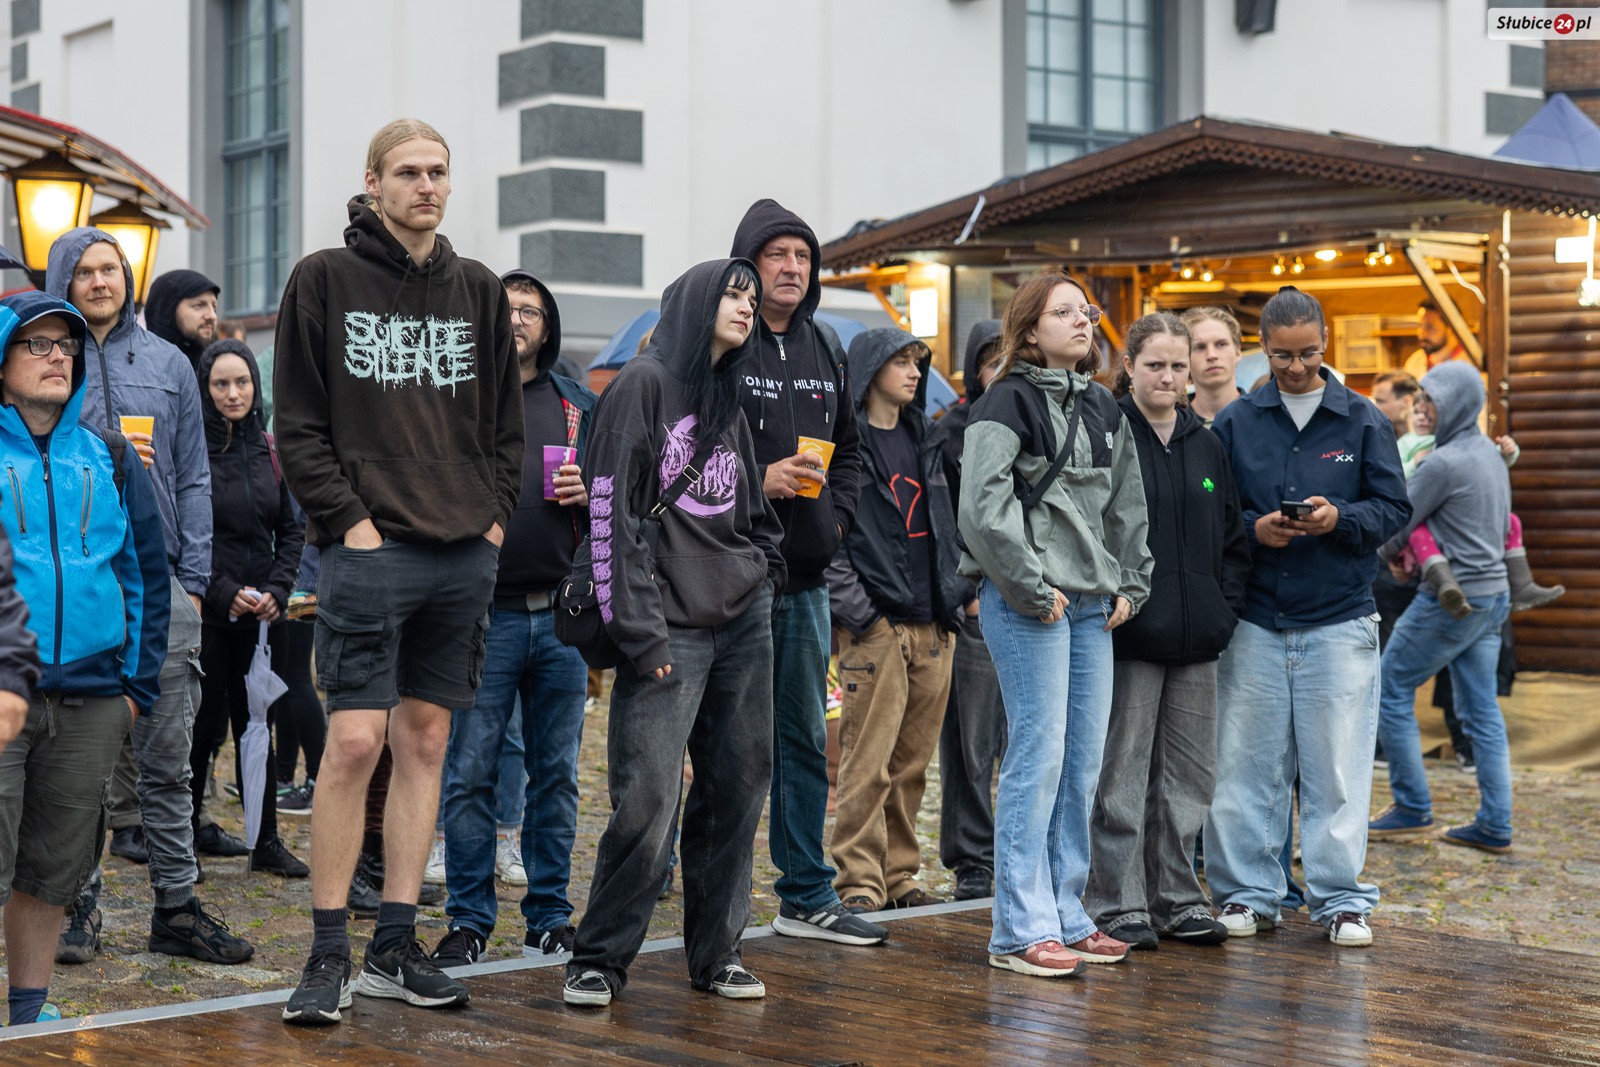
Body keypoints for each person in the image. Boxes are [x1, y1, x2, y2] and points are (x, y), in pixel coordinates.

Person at [274, 118, 522, 1025]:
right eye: (408, 172)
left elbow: (508, 430)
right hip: (370, 549)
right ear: (373, 182)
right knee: (352, 743)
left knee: (424, 744)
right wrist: (353, 525)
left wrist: (494, 522)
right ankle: (327, 950)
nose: (426, 185)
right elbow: (297, 426)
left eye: (438, 171)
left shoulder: (480, 289)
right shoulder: (323, 280)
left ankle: (393, 945)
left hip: (463, 552)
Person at [562, 258, 786, 1007]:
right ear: (695, 302)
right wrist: (640, 633)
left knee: (737, 791)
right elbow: (608, 515)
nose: (747, 306)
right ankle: (598, 958)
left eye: (752, 296)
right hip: (667, 629)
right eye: (733, 293)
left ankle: (718, 954)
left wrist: (765, 569)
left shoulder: (726, 392)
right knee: (648, 801)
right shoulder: (641, 385)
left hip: (742, 620)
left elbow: (750, 506)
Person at [45, 229, 253, 968]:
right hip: (82, 585)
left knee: (169, 761)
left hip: (162, 585)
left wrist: (194, 581)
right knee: (83, 767)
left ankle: (177, 906)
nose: (100, 281)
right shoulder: (45, 360)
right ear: (63, 279)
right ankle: (77, 906)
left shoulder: (170, 364)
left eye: (111, 269)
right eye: (85, 271)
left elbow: (194, 476)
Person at [958, 269, 1152, 977]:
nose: (1082, 321)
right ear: (1030, 328)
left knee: (1080, 765)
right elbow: (983, 510)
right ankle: (1019, 929)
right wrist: (1030, 586)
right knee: (1037, 761)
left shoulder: (1103, 405)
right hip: (1030, 601)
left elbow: (1127, 504)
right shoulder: (1003, 401)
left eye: (1086, 311)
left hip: (1091, 605)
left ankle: (1067, 912)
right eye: (1063, 311)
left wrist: (1132, 582)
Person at [1205, 285, 1410, 949]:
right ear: (1261, 350)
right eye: (1282, 356)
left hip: (1338, 618)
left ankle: (1341, 901)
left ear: (1326, 345)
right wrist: (1253, 528)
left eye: (1308, 354)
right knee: (1244, 768)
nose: (1296, 367)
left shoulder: (1364, 420)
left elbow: (1394, 508)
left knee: (1337, 769)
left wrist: (1338, 518)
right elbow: (1210, 512)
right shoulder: (1234, 423)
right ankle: (1247, 895)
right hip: (1256, 620)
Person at [0, 292, 169, 1024]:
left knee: (53, 867)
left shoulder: (110, 455)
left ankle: (27, 1010)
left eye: (66, 345)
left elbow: (147, 573)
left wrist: (134, 687)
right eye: (37, 344)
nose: (58, 356)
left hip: (95, 696)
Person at [728, 200, 884, 947]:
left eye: (803, 256)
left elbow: (849, 450)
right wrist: (757, 482)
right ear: (747, 264)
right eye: (777, 255)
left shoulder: (826, 344)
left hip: (807, 582)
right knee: (730, 744)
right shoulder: (724, 336)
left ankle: (806, 894)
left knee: (805, 739)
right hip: (731, 575)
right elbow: (680, 449)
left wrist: (836, 522)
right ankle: (719, 900)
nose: (792, 267)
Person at [430, 267, 596, 968]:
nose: (519, 318)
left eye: (531, 309)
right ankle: (469, 921)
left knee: (556, 774)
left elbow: (618, 498)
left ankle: (549, 918)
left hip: (562, 616)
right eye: (507, 307)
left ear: (547, 327)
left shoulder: (576, 405)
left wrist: (590, 490)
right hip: (484, 614)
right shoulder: (459, 399)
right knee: (469, 772)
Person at [1083, 313, 1250, 950]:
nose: (1169, 376)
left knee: (1189, 780)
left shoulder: (1206, 443)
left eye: (1179, 366)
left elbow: (1233, 538)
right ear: (1129, 366)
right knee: (1122, 776)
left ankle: (1178, 899)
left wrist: (1222, 610)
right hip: (1129, 637)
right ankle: (1117, 901)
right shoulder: (1106, 433)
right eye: (1155, 364)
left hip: (1199, 639)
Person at [825, 328, 968, 913]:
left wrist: (955, 596)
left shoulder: (928, 437)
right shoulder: (845, 443)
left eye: (917, 362)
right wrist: (862, 615)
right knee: (866, 762)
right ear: (869, 370)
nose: (914, 372)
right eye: (901, 362)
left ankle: (899, 874)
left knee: (911, 767)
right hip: (875, 627)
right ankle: (859, 881)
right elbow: (827, 536)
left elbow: (952, 520)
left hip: (933, 625)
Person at [1368, 362, 1517, 853]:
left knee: (1390, 687)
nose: (1422, 407)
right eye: (1421, 398)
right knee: (1482, 710)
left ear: (1456, 405)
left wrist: (1375, 558)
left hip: (1452, 600)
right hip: (1493, 596)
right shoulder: (1489, 453)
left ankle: (1412, 807)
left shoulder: (1441, 463)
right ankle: (1495, 824)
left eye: (1431, 399)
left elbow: (1396, 523)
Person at [189, 339, 307, 878]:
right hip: (212, 616)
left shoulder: (270, 450)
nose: (233, 393)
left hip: (263, 619)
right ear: (205, 388)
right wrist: (220, 589)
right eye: (221, 384)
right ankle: (186, 834)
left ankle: (266, 840)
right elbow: (185, 533)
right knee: (202, 728)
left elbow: (292, 528)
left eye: (242, 383)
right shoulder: (193, 450)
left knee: (258, 727)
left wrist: (278, 590)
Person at [936, 320, 1007, 902]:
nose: (1002, 369)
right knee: (970, 746)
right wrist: (965, 593)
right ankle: (973, 860)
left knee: (1038, 742)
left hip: (1045, 604)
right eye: (991, 360)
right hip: (978, 605)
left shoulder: (1043, 419)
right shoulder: (949, 432)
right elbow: (942, 524)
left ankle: (1028, 855)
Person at [145, 271, 221, 370]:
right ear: (168, 310)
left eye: (214, 308)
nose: (212, 316)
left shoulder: (219, 368)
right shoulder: (139, 367)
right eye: (199, 305)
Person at [1182, 306, 1243, 427]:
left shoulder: (1264, 418)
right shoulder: (1171, 424)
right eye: (1199, 347)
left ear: (1237, 352)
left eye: (1221, 344)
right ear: (1184, 359)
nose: (1211, 355)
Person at [1403, 302, 1472, 382]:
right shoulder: (1414, 362)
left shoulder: (1471, 366)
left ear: (1452, 328)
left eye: (1430, 327)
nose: (1422, 334)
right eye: (1420, 326)